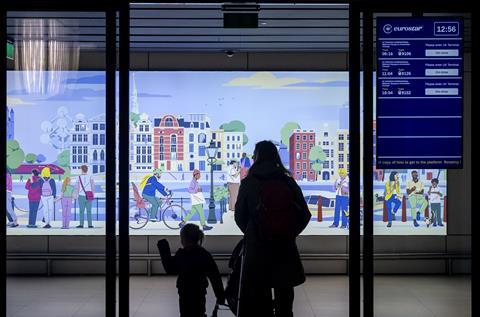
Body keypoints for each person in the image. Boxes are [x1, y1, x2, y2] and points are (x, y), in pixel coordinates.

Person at [235, 140, 311, 317]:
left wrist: (254, 231)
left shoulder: (249, 183)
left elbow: (240, 217)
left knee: (260, 300)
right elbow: (305, 214)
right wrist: (290, 232)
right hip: (284, 247)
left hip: (258, 248)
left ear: (256, 157)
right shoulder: (287, 181)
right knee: (285, 299)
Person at [157, 224, 225, 317]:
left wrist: (163, 248)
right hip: (199, 292)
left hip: (184, 293)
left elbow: (170, 269)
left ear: (184, 239)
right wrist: (220, 296)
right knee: (199, 312)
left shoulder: (182, 254)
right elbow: (215, 277)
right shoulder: (204, 254)